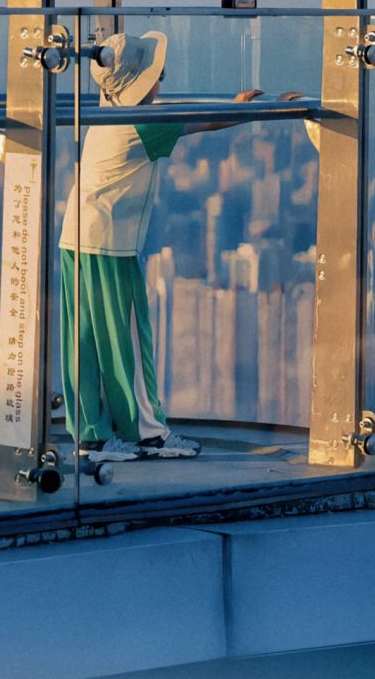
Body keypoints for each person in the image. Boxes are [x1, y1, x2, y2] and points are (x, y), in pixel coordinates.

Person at [59, 30, 297, 462]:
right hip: (111, 245)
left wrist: (231, 105)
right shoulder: (142, 122)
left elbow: (186, 112)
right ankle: (149, 434)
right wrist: (262, 109)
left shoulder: (108, 109)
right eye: (158, 73)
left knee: (87, 341)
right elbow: (202, 122)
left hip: (76, 237)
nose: (162, 79)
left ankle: (91, 437)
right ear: (144, 82)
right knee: (128, 341)